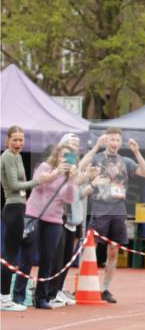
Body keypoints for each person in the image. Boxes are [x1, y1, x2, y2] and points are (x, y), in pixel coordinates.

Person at [12, 142, 79, 309]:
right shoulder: (44, 167)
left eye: (69, 157)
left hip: (54, 220)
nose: (65, 159)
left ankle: (41, 297)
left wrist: (71, 180)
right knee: (27, 258)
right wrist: (57, 172)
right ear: (56, 155)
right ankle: (18, 296)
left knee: (47, 259)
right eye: (63, 155)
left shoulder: (68, 177)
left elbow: (70, 199)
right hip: (34, 215)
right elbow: (39, 184)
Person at [88, 129, 145, 304]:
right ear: (106, 140)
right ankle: (85, 283)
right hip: (100, 207)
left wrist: (137, 152)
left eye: (117, 140)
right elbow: (82, 166)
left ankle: (105, 289)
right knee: (90, 247)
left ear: (120, 142)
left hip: (118, 208)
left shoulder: (125, 161)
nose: (114, 142)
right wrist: (95, 147)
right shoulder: (98, 157)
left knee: (114, 251)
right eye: (111, 139)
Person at [48, 133, 101, 306]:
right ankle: (51, 292)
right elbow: (72, 184)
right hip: (61, 216)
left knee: (66, 258)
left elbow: (77, 192)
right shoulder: (62, 165)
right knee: (57, 258)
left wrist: (92, 183)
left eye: (77, 143)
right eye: (71, 142)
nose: (75, 145)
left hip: (74, 217)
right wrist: (96, 147)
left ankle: (59, 289)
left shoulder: (74, 165)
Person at [1, 126, 41, 311]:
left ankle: (6, 296)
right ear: (7, 140)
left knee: (12, 254)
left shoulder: (17, 157)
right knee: (9, 255)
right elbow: (15, 185)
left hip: (19, 206)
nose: (18, 143)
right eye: (15, 140)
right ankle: (4, 297)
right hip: (13, 207)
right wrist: (37, 181)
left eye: (21, 140)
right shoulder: (8, 156)